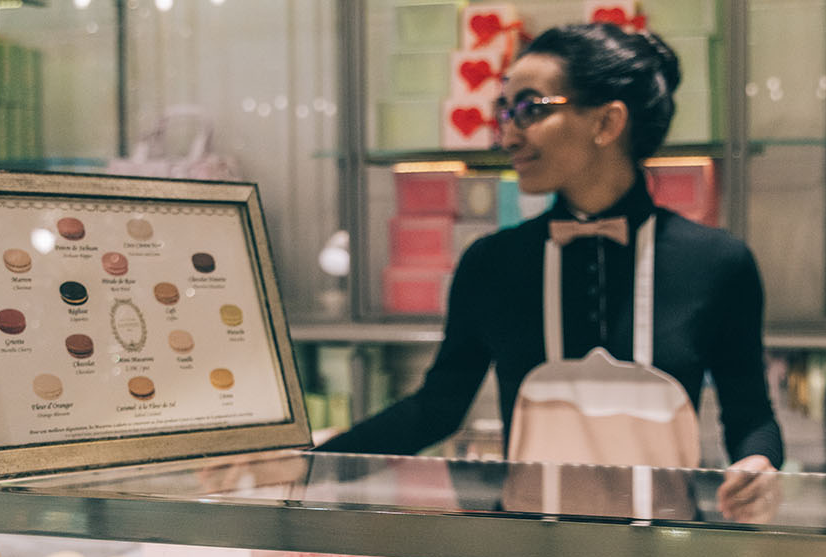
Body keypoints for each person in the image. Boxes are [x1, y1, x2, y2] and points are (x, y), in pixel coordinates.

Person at [319, 23, 781, 521]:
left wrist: (758, 465)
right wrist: (310, 462)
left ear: (606, 123)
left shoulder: (717, 263)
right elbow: (436, 408)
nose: (507, 132)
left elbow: (749, 413)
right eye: (505, 111)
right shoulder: (491, 264)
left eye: (530, 109)